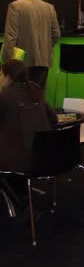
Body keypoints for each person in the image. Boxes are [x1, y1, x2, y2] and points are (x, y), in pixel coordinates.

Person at [0, 59, 57, 209]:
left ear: (8, 76)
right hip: (43, 156)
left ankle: (13, 199)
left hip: (17, 160)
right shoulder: (35, 90)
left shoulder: (5, 97)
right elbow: (54, 119)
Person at [1, 0, 60, 89]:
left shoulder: (15, 6)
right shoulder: (49, 7)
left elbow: (11, 35)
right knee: (37, 94)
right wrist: (45, 47)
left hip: (22, 63)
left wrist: (6, 59)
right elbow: (56, 34)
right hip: (43, 61)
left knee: (20, 95)